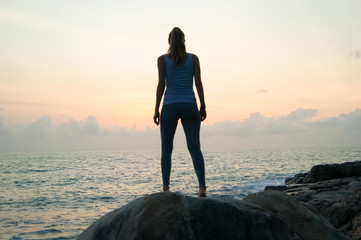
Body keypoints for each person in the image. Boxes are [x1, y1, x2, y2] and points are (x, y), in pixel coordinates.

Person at [153, 27, 207, 197]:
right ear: (184, 40)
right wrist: (203, 105)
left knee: (166, 150)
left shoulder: (162, 60)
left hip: (169, 106)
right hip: (190, 105)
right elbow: (198, 82)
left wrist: (156, 108)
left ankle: (166, 188)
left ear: (169, 41)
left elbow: (161, 84)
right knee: (195, 148)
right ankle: (202, 188)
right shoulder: (194, 59)